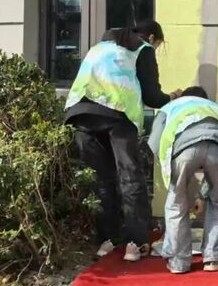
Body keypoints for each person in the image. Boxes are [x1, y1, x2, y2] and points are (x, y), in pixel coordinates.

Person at [64, 20, 180, 262]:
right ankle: (136, 242)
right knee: (129, 176)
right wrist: (172, 97)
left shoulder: (101, 46)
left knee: (101, 179)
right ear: (151, 37)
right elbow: (152, 96)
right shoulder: (142, 48)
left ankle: (107, 239)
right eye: (158, 45)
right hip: (117, 112)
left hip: (80, 112)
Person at [148, 86, 218, 274]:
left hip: (183, 147)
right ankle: (215, 257)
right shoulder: (214, 108)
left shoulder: (171, 107)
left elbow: (154, 142)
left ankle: (179, 262)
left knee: (176, 204)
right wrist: (203, 194)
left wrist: (172, 171)